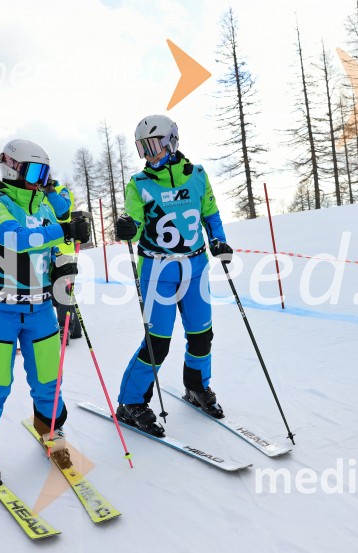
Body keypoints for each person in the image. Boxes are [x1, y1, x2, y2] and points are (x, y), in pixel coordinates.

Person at [0, 139, 89, 476]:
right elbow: (16, 238)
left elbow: (53, 247)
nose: (39, 180)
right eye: (33, 171)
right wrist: (62, 229)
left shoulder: (44, 207)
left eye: (44, 173)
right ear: (11, 167)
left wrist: (63, 262)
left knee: (48, 379)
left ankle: (50, 426)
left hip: (39, 307)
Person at [114, 114, 232, 437]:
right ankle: (131, 401)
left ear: (171, 142)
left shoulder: (197, 176)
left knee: (201, 335)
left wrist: (218, 239)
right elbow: (135, 221)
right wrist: (129, 226)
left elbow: (211, 213)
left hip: (195, 268)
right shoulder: (140, 184)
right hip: (158, 270)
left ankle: (196, 386)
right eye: (142, 148)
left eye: (152, 145)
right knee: (158, 343)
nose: (148, 155)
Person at [43, 179, 81, 343]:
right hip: (45, 251)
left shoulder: (60, 190)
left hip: (63, 251)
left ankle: (64, 328)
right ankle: (74, 328)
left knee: (63, 292)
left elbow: (63, 211)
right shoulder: (34, 195)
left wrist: (50, 192)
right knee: (51, 293)